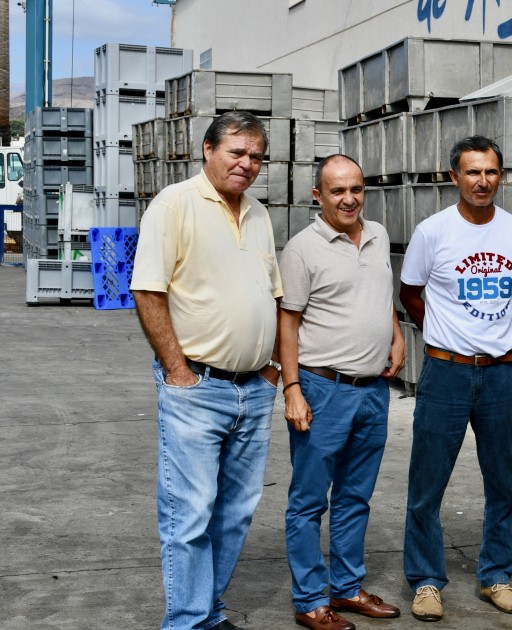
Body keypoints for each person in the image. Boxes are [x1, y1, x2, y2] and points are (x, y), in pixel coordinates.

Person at [130, 111, 281, 630]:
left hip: (254, 391)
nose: (246, 163)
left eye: (256, 155)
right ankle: (188, 622)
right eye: (236, 152)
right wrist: (177, 370)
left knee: (235, 514)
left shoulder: (259, 213)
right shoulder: (174, 204)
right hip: (197, 387)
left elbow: (273, 294)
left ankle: (208, 613)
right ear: (207, 150)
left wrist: (273, 368)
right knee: (189, 516)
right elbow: (148, 290)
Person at [398, 135, 512, 623]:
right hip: (447, 373)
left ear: (501, 176)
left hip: (500, 376)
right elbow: (410, 293)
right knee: (427, 484)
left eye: (491, 172)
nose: (483, 181)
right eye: (472, 172)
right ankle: (427, 581)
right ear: (453, 176)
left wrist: (490, 335)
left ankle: (496, 574)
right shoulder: (433, 231)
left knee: (503, 482)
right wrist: (449, 335)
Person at [278, 155, 405, 630]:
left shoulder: (375, 236)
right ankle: (311, 599)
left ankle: (347, 588)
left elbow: (381, 293)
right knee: (309, 500)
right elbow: (286, 323)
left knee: (355, 496)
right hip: (322, 388)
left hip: (372, 391)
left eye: (356, 188)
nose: (349, 198)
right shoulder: (302, 249)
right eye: (337, 191)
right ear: (318, 196)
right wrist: (292, 388)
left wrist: (394, 335)